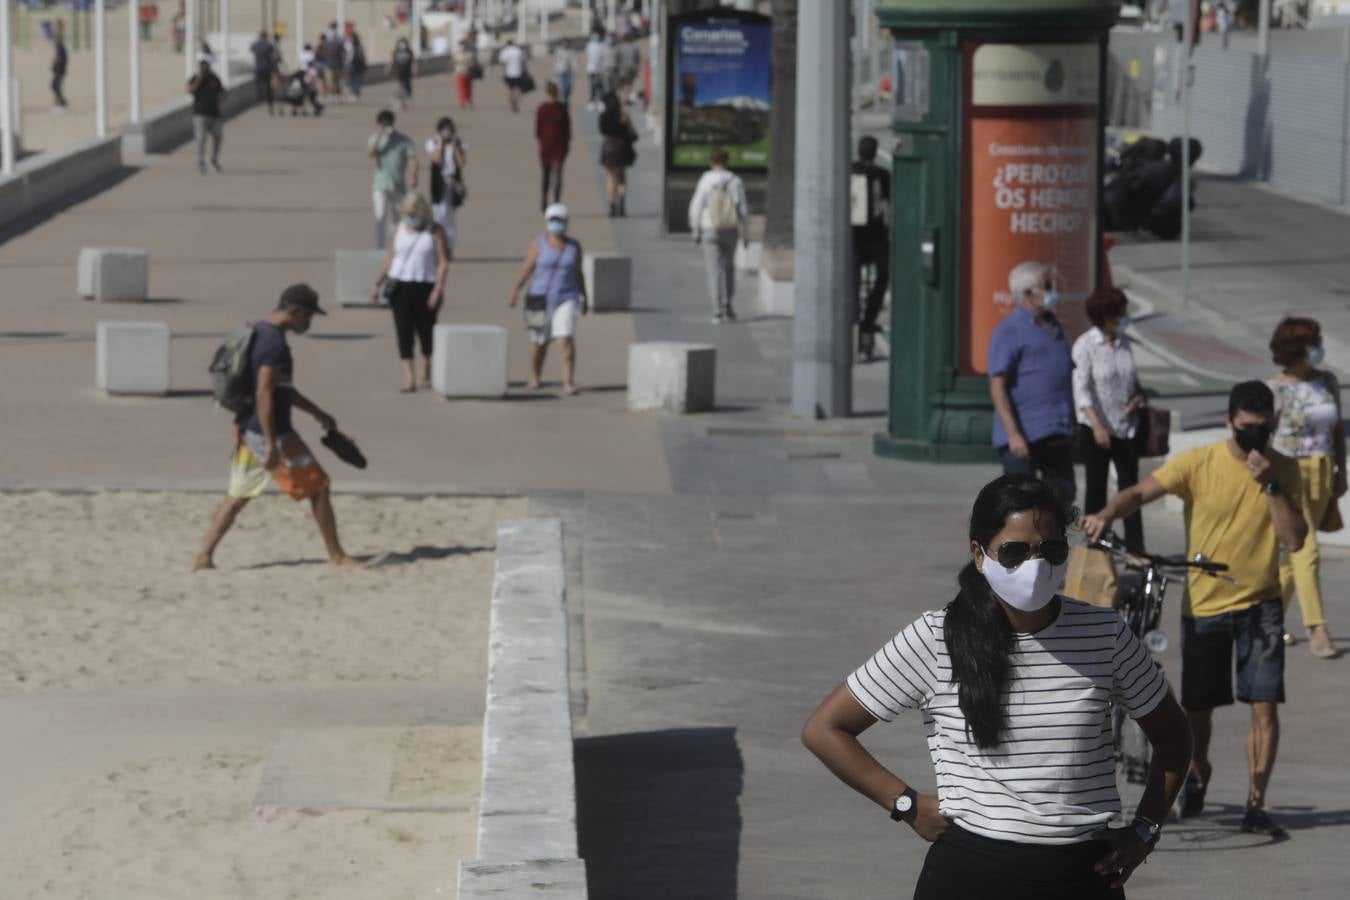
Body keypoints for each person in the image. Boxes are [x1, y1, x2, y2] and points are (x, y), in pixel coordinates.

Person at [803, 474, 1193, 899]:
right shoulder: (938, 637)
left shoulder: (1104, 633)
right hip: (970, 877)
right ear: (979, 553)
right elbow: (825, 729)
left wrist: (1146, 830)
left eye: (1051, 550)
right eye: (1015, 551)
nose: (1035, 565)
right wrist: (906, 805)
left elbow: (1173, 736)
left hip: (1083, 876)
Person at [1084, 381, 1307, 838]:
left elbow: (1295, 539)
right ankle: (1199, 769)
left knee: (1264, 704)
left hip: (1261, 605)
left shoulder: (1283, 469)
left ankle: (1256, 801)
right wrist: (1107, 512)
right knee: (1198, 711)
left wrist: (1269, 483)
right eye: (1246, 429)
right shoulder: (1200, 462)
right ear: (1229, 422)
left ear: (1274, 426)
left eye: (1263, 430)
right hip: (1205, 606)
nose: (1254, 439)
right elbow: (1141, 492)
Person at [193, 285, 364, 572]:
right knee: (319, 486)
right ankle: (337, 556)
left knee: (238, 495)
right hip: (271, 433)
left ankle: (204, 557)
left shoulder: (259, 332)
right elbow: (264, 393)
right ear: (294, 311)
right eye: (307, 316)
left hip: (249, 429)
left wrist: (317, 413)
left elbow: (281, 389)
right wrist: (272, 443)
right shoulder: (275, 346)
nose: (309, 323)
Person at [1267, 317, 1344, 658]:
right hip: (1290, 472)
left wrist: (1341, 470)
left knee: (1290, 560)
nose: (1318, 349)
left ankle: (1268, 620)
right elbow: (1264, 437)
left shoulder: (1327, 381)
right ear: (1295, 350)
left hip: (1323, 469)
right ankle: (1317, 628)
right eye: (1313, 343)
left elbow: (1338, 428)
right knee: (1306, 550)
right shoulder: (1275, 389)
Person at [988, 261, 1076, 504]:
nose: (1053, 290)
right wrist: (1014, 434)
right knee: (1021, 503)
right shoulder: (1009, 330)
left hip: (1057, 429)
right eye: (1047, 286)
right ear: (1028, 293)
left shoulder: (1053, 324)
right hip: (1024, 436)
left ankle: (1053, 543)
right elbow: (997, 385)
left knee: (1062, 497)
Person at [1073, 287, 1146, 553]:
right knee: (1096, 490)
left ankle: (1137, 551)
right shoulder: (1086, 345)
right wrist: (1096, 425)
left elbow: (1133, 383)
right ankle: (1096, 550)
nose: (1124, 318)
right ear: (1104, 317)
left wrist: (1136, 399)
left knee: (1131, 492)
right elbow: (1081, 389)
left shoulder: (1125, 342)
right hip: (1097, 429)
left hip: (1125, 428)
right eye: (1119, 314)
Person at [371, 194, 451, 392]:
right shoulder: (398, 229)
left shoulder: (434, 231)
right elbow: (389, 258)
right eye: (406, 213)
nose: (409, 217)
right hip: (400, 286)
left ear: (422, 212)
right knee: (403, 331)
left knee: (426, 330)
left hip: (426, 285)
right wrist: (377, 283)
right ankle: (409, 377)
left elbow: (443, 262)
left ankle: (427, 368)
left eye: (412, 213)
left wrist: (438, 288)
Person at [506, 204, 588, 395]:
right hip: (540, 299)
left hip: (567, 298)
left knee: (564, 339)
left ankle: (568, 381)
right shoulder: (538, 244)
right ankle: (535, 376)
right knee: (539, 344)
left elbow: (579, 273)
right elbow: (527, 268)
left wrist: (585, 297)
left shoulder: (574, 247)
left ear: (567, 223)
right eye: (553, 220)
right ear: (547, 222)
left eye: (560, 220)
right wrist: (515, 291)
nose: (557, 224)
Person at [687, 148, 750, 324]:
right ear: (727, 161)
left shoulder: (706, 180)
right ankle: (728, 306)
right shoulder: (736, 181)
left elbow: (696, 206)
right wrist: (746, 234)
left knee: (713, 270)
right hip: (730, 229)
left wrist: (695, 229)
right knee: (729, 268)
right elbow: (743, 210)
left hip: (710, 228)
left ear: (711, 161)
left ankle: (716, 311)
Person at [851, 136, 891, 344]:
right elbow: (890, 201)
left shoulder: (849, 171)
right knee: (884, 275)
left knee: (852, 280)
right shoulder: (882, 175)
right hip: (876, 237)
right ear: (875, 153)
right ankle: (870, 318)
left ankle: (854, 316)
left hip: (853, 237)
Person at [368, 110, 419, 250]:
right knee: (380, 216)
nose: (386, 126)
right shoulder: (375, 138)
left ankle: (396, 247)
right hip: (380, 185)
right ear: (378, 124)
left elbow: (413, 158)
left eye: (388, 123)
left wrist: (414, 175)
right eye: (383, 124)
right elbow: (370, 153)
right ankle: (380, 247)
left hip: (398, 185)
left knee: (397, 219)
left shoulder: (404, 140)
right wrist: (380, 136)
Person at [425, 117, 466, 253]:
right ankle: (437, 248)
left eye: (449, 129)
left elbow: (462, 163)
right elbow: (436, 159)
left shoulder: (458, 143)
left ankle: (449, 248)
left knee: (451, 218)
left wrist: (454, 147)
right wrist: (441, 144)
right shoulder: (433, 142)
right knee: (438, 215)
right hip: (438, 182)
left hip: (453, 182)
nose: (447, 132)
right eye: (444, 129)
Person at [598, 92, 637, 218]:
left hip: (608, 146)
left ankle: (612, 205)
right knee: (622, 177)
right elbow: (632, 133)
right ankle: (622, 205)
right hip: (622, 147)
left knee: (610, 178)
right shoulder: (623, 115)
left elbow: (602, 131)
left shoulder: (603, 116)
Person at [536, 81, 571, 212]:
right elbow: (567, 129)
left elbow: (538, 130)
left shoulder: (542, 109)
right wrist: (567, 144)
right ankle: (556, 202)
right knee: (557, 175)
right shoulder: (562, 109)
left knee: (546, 175)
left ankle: (544, 200)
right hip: (559, 145)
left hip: (546, 144)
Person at [188, 59, 225, 175]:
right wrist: (199, 79)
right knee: (201, 138)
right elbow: (190, 90)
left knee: (218, 136)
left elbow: (222, 91)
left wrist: (221, 97)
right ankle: (200, 161)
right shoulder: (195, 78)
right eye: (202, 67)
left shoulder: (214, 78)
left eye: (206, 66)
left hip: (214, 114)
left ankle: (214, 158)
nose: (205, 69)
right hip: (200, 114)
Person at [251, 31, 279, 115]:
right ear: (266, 37)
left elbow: (252, 50)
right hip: (267, 68)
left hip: (258, 68)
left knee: (258, 85)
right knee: (268, 86)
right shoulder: (268, 45)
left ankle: (259, 100)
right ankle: (269, 102)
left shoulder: (256, 45)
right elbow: (273, 56)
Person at [499, 38, 528, 114]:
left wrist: (503, 73)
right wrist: (525, 71)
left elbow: (503, 64)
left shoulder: (505, 51)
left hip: (509, 74)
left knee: (511, 90)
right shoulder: (518, 51)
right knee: (518, 89)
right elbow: (523, 62)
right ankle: (516, 103)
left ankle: (512, 103)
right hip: (518, 73)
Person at [321, 23, 346, 99]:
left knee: (333, 81)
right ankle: (335, 95)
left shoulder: (337, 38)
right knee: (335, 81)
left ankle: (334, 95)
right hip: (335, 64)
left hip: (332, 64)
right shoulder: (339, 38)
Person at [615, 33, 640, 105]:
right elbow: (637, 58)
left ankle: (620, 98)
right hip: (632, 68)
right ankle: (626, 98)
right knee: (629, 84)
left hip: (622, 68)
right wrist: (637, 68)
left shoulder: (620, 47)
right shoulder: (634, 47)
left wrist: (616, 68)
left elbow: (617, 58)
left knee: (621, 84)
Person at [585, 29, 607, 111]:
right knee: (592, 86)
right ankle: (592, 102)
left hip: (599, 69)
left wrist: (599, 69)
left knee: (599, 86)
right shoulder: (590, 45)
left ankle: (600, 102)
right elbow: (591, 57)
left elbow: (601, 59)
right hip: (592, 69)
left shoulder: (600, 45)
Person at [391, 38, 416, 109]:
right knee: (399, 87)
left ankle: (406, 98)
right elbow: (392, 60)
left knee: (407, 86)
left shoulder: (409, 51)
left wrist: (414, 68)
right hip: (398, 72)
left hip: (407, 72)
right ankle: (401, 103)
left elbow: (413, 61)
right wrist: (390, 68)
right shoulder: (396, 51)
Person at [454, 38, 478, 109]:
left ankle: (467, 101)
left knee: (467, 88)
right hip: (460, 73)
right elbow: (454, 62)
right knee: (462, 88)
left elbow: (473, 63)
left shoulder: (469, 54)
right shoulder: (458, 54)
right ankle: (463, 102)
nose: (463, 47)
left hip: (466, 73)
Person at [51, 20, 69, 111]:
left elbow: (61, 55)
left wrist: (56, 61)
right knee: (54, 85)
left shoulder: (60, 42)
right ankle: (61, 102)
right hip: (59, 67)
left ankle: (61, 104)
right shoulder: (59, 41)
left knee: (55, 86)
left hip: (60, 68)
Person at [553, 41, 575, 106]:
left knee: (568, 87)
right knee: (561, 88)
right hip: (559, 72)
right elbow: (555, 61)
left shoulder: (571, 52)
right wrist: (554, 71)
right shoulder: (558, 51)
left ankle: (566, 99)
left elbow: (573, 62)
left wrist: (574, 70)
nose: (565, 45)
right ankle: (562, 101)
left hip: (568, 72)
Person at [347, 31, 367, 101]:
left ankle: (354, 93)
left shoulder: (356, 46)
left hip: (356, 65)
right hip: (353, 65)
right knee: (353, 80)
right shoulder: (351, 46)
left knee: (355, 80)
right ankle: (354, 93)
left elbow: (362, 57)